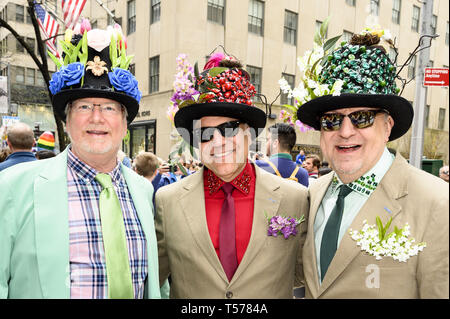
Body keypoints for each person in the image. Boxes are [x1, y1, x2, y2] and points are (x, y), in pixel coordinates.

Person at [0, 25, 166, 299]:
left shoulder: (143, 190)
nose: (97, 118)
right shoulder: (12, 188)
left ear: (125, 124)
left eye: (110, 107)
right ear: (66, 122)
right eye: (84, 106)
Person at [296, 29, 448, 298]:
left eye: (361, 117)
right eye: (331, 119)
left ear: (387, 126)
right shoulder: (314, 193)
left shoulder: (438, 204)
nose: (344, 131)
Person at [155, 52, 309, 298]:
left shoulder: (296, 198)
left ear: (248, 133)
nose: (217, 141)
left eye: (228, 128)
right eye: (206, 134)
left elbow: (305, 275)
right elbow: (151, 278)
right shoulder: (167, 201)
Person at [255, 123, 309, 187]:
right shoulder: (303, 173)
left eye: (268, 139)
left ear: (275, 143)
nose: (266, 143)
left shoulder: (257, 166)